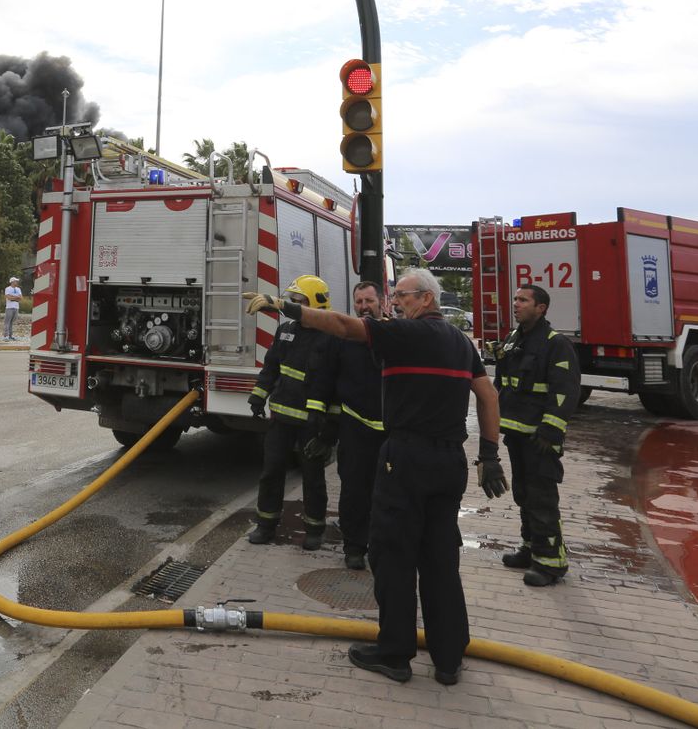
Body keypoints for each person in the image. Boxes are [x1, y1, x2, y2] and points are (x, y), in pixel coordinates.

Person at [246, 267, 506, 687]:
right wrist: (489, 456)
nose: (394, 302)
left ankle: (395, 655)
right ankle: (448, 659)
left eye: (400, 295)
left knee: (394, 557)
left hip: (405, 459)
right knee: (441, 560)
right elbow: (488, 395)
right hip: (449, 463)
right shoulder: (461, 342)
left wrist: (285, 307)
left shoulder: (405, 334)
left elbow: (344, 326)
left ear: (424, 298)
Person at [495, 285, 580, 586]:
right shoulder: (513, 339)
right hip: (517, 434)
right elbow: (503, 384)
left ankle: (551, 564)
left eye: (523, 300)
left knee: (542, 498)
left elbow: (566, 390)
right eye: (515, 298)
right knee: (523, 493)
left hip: (541, 438)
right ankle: (530, 548)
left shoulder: (556, 344)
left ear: (541, 307)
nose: (515, 304)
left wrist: (551, 429)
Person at [246, 274, 337, 551]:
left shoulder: (331, 337)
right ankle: (266, 524)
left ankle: (314, 529)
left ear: (316, 304)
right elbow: (272, 366)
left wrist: (328, 428)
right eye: (292, 300)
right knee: (271, 472)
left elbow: (333, 384)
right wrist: (258, 394)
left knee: (313, 477)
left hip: (312, 423)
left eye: (299, 301)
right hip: (281, 419)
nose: (293, 305)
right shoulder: (286, 329)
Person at [327, 280, 387, 571]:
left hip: (390, 431)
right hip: (354, 427)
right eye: (359, 301)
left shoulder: (394, 336)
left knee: (387, 493)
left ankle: (381, 546)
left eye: (369, 301)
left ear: (382, 302)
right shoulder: (344, 338)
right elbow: (328, 381)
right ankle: (353, 547)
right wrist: (326, 427)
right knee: (353, 490)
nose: (363, 306)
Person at [3, 276, 23, 340]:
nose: (17, 282)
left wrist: (13, 297)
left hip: (16, 307)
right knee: (7, 322)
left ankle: (10, 336)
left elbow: (21, 298)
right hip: (9, 307)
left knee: (11, 322)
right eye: (16, 281)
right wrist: (16, 297)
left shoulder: (18, 289)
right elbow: (8, 297)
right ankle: (6, 336)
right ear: (12, 282)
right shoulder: (7, 289)